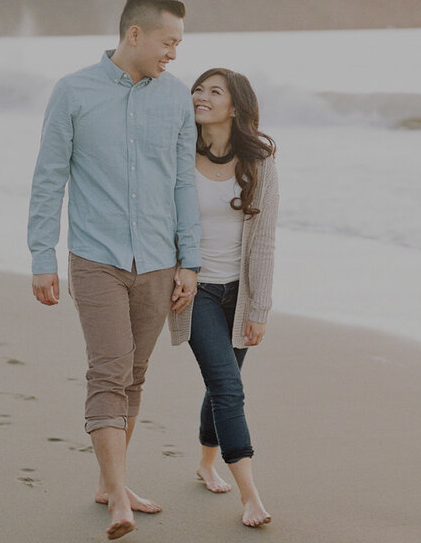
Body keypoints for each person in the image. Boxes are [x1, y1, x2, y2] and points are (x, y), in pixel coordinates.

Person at [27, 0, 201, 540]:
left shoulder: (175, 99)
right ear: (135, 35)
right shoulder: (73, 91)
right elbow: (48, 178)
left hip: (157, 260)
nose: (173, 53)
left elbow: (181, 185)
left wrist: (189, 261)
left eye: (178, 44)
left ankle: (110, 482)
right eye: (168, 42)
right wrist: (41, 257)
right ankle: (118, 499)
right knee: (109, 369)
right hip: (95, 258)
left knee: (135, 374)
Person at [168, 68, 279, 527]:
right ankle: (250, 496)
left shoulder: (260, 160)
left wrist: (259, 309)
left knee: (222, 383)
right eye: (198, 89)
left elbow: (266, 238)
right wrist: (180, 267)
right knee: (230, 388)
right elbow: (160, 219)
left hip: (241, 292)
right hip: (195, 293)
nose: (201, 96)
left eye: (215, 91)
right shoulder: (177, 153)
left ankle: (206, 461)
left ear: (235, 106)